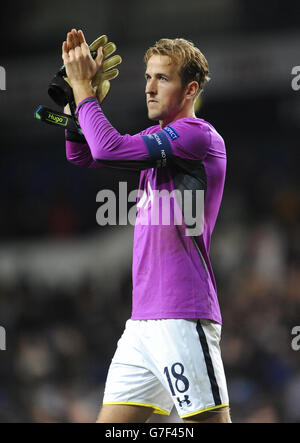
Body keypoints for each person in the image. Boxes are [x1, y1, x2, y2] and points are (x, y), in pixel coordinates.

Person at [62, 28, 231, 423]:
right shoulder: (157, 139)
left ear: (190, 90)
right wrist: (76, 101)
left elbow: (106, 147)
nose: (149, 88)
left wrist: (85, 88)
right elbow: (84, 156)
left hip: (182, 313)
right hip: (142, 323)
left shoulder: (197, 135)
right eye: (147, 77)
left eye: (162, 78)